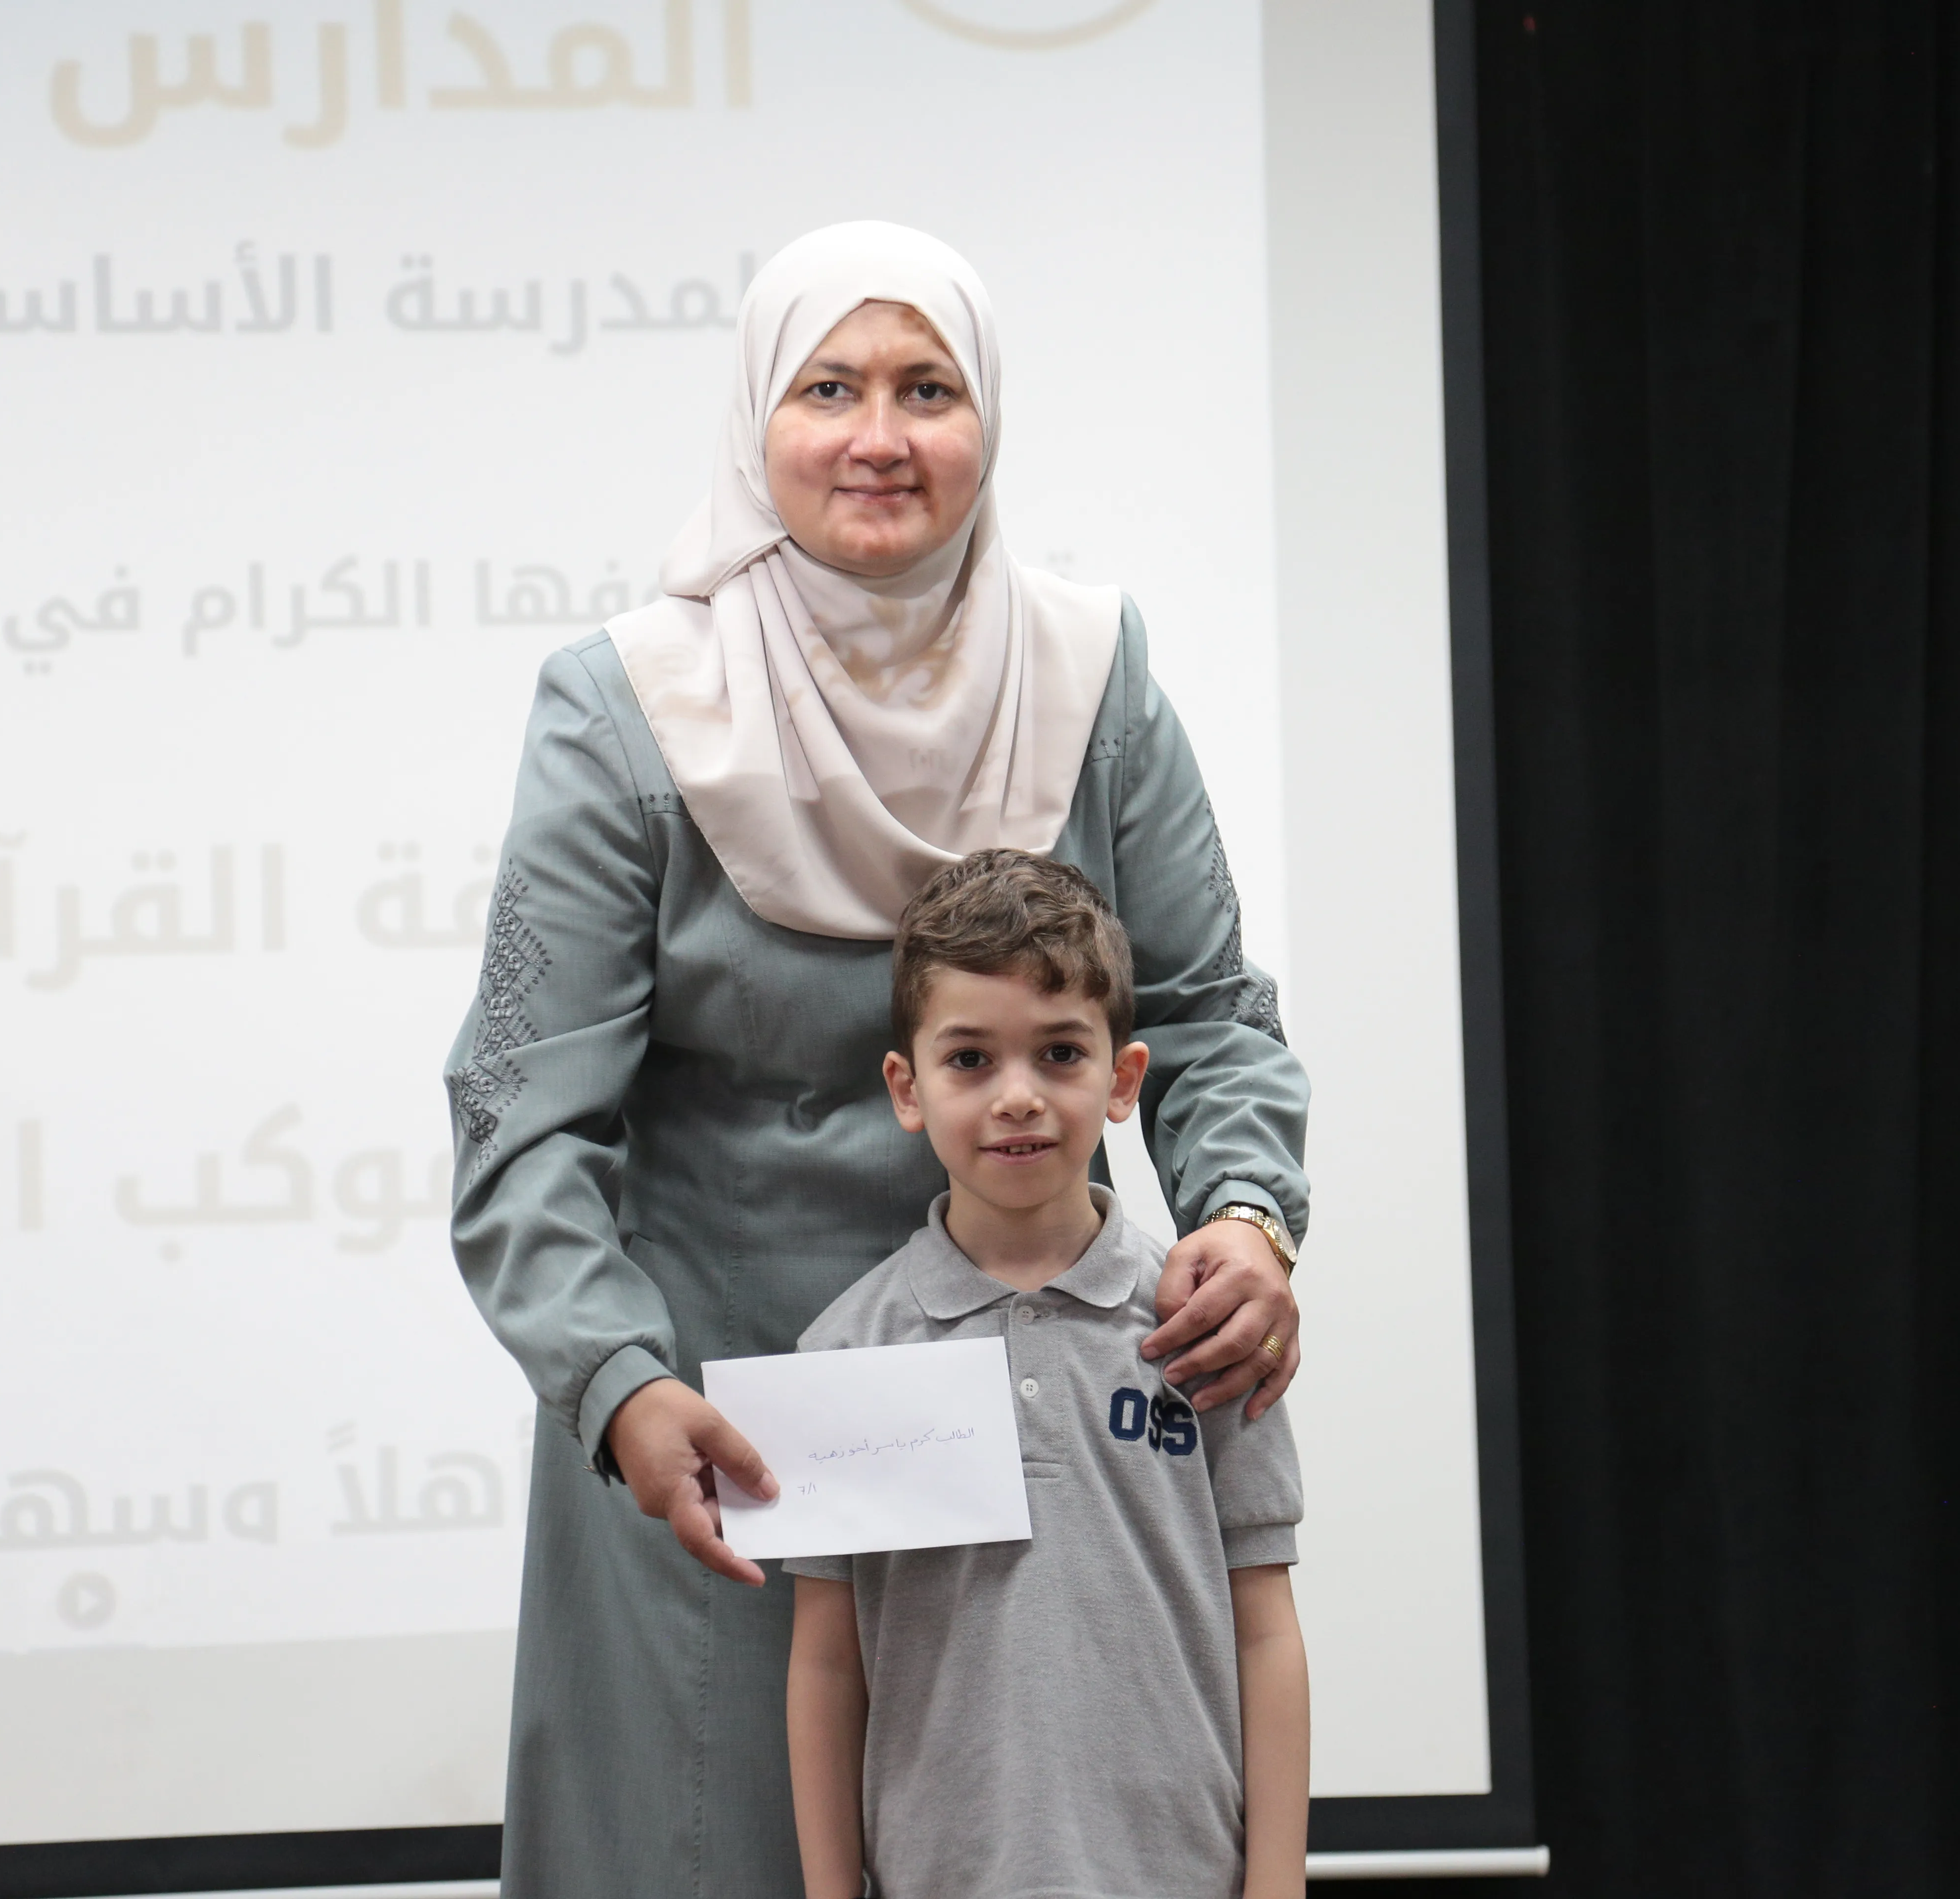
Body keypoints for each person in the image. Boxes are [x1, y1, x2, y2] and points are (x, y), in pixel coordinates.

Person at [445, 221, 1311, 1896]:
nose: (879, 437)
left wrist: (1249, 1219)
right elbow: (522, 1119)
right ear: (756, 422)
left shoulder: (1091, 675)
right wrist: (621, 1386)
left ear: (989, 419)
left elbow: (1207, 1012)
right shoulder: (628, 708)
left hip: (1053, 1402)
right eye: (828, 389)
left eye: (929, 390)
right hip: (725, 1428)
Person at [784, 850, 1308, 1899]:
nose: (1017, 1096)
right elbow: (827, 1664)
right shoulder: (843, 1355)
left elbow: (1265, 1633)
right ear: (907, 1089)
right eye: (971, 1059)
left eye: (1060, 1053)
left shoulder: (1208, 1326)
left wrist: (1278, 1888)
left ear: (1123, 1079)